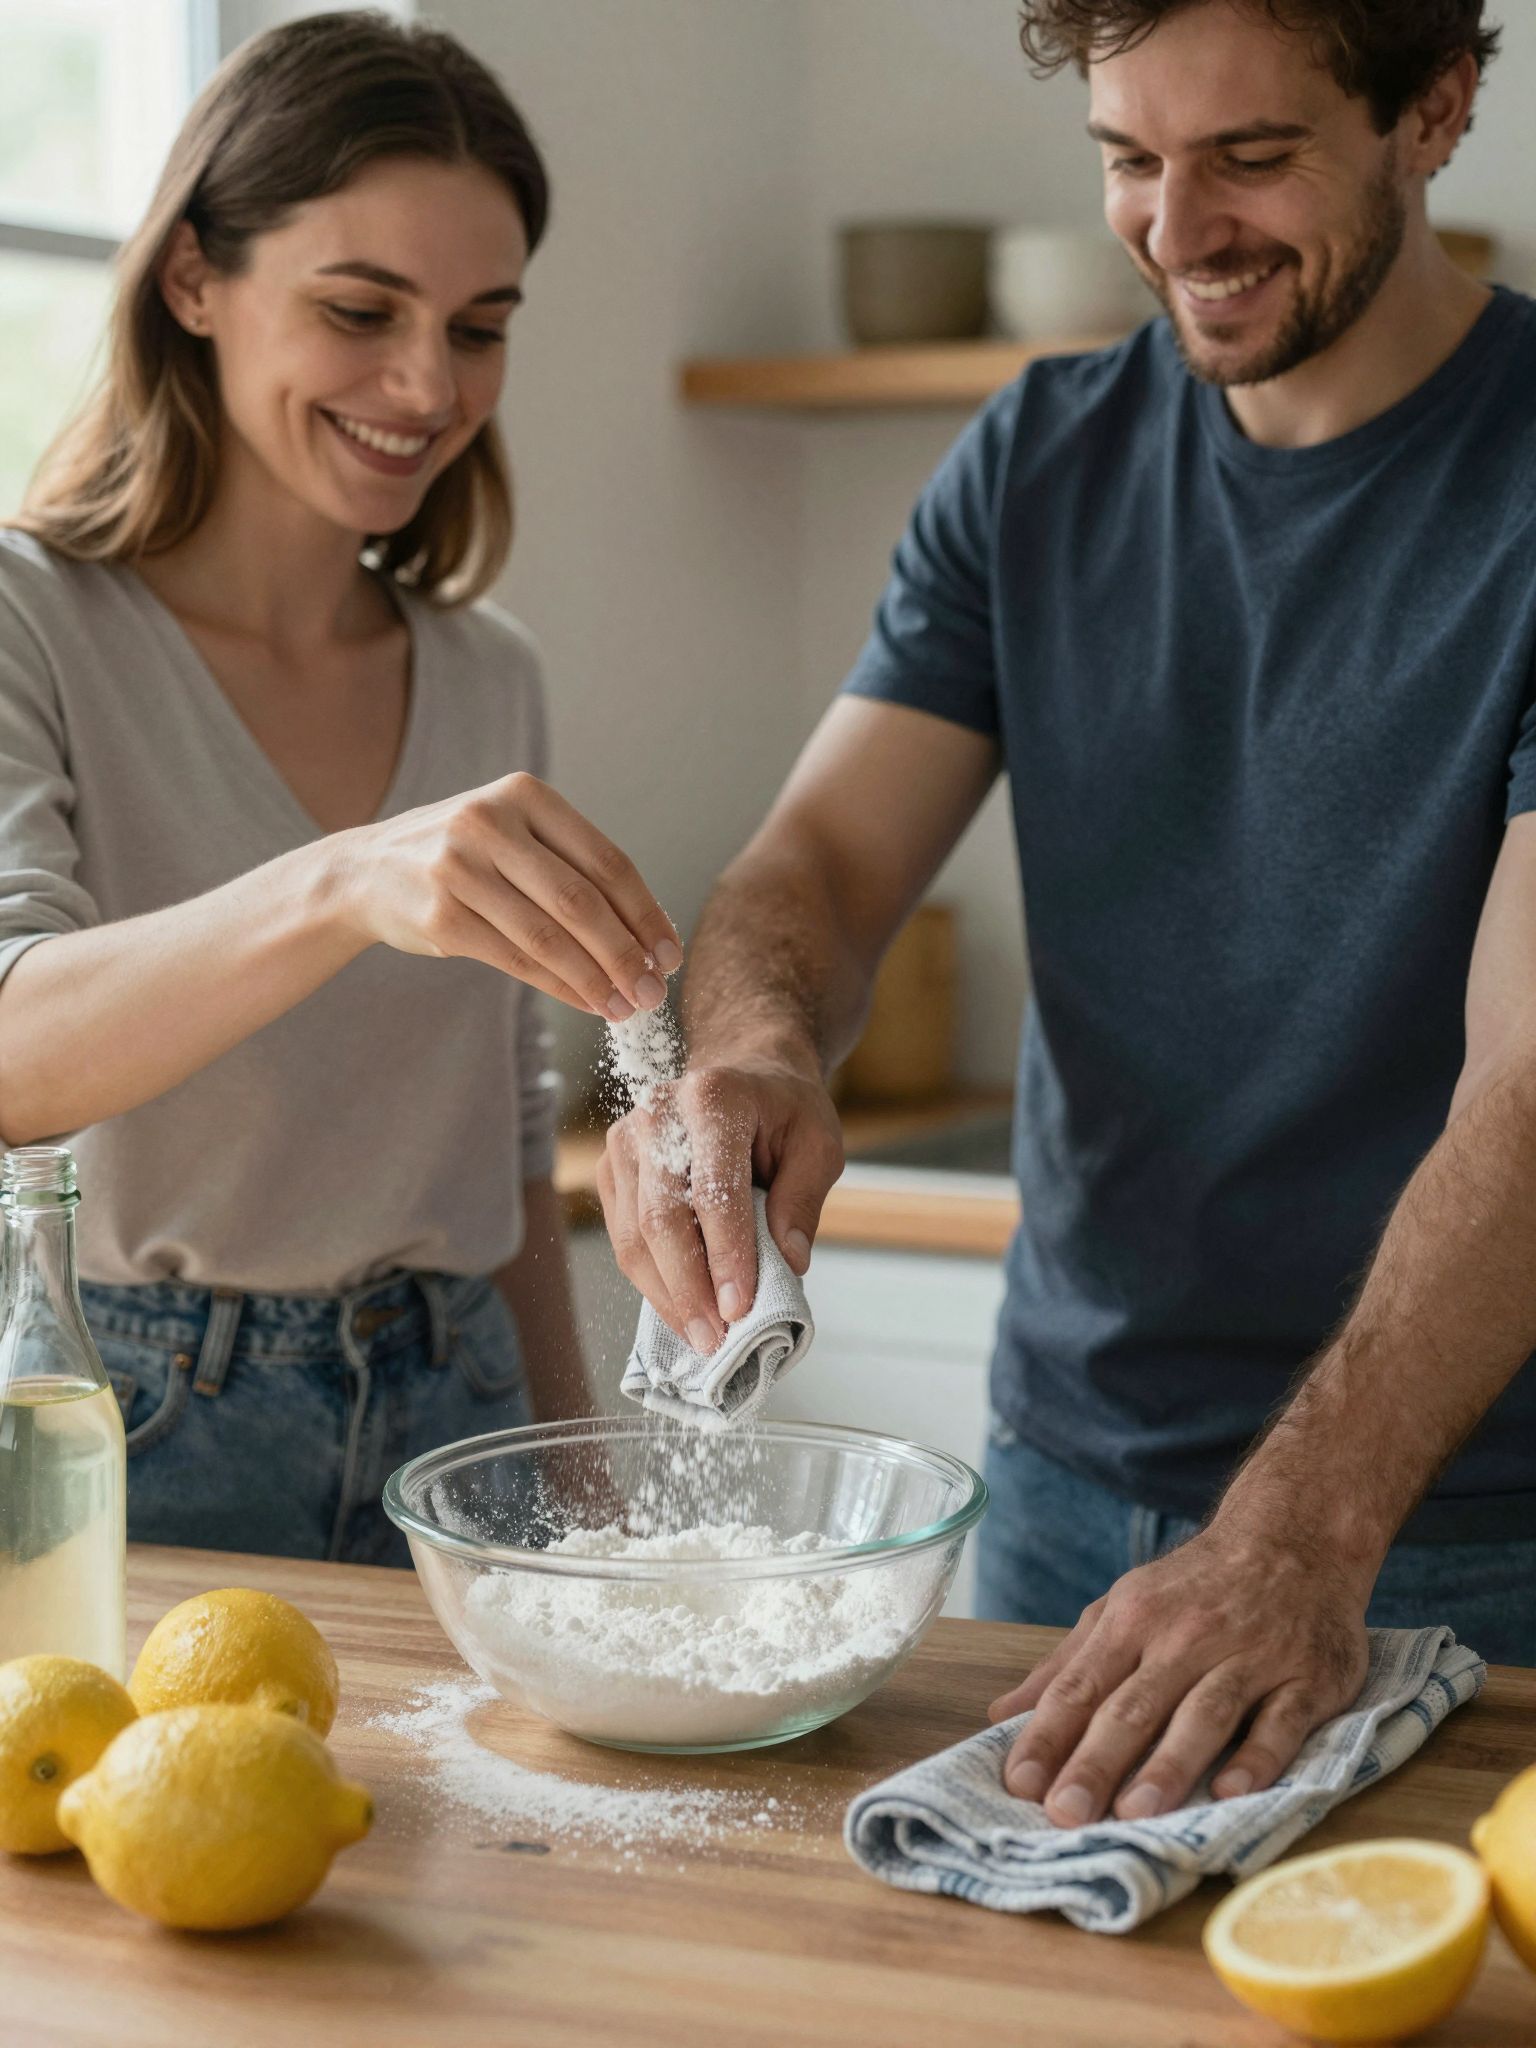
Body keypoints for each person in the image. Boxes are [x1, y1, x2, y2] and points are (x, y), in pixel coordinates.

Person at [600, 0, 1536, 1829]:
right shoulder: (1037, 457)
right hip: (1060, 1489)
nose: (1178, 231)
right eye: (1129, 160)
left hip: (1453, 1522)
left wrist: (1294, 1539)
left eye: (1252, 158)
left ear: (1434, 111)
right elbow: (816, 867)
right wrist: (756, 1052)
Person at [0, 13, 681, 1565]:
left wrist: (581, 1486)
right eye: (360, 310)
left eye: (479, 326)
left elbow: (503, 1139)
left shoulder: (488, 670)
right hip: (141, 1421)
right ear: (193, 280)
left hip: (461, 1407)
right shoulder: (27, 618)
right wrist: (344, 880)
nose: (427, 383)